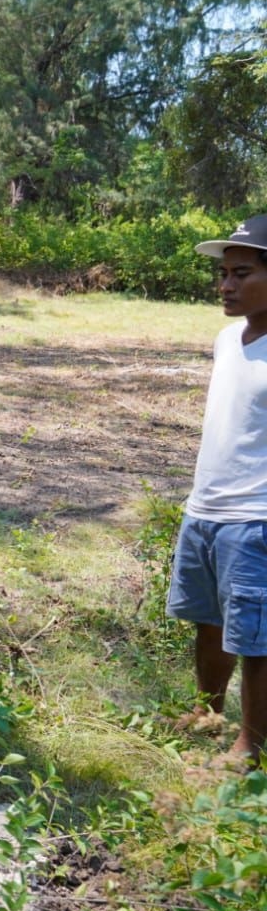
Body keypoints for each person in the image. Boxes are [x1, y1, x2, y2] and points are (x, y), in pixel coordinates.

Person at [165, 215, 267, 763]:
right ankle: (209, 709)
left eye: (241, 274)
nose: (225, 286)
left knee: (256, 639)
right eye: (223, 274)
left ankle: (252, 745)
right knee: (208, 618)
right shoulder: (229, 337)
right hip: (205, 508)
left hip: (257, 517)